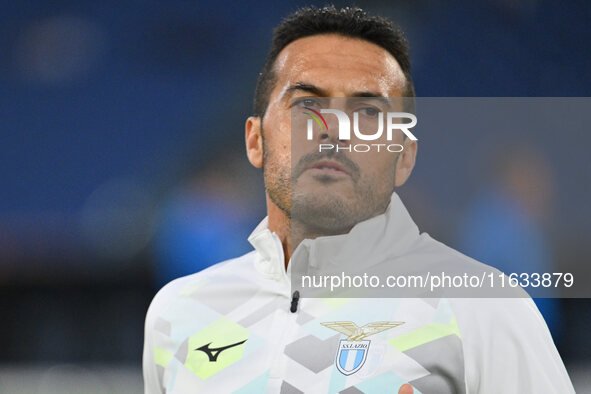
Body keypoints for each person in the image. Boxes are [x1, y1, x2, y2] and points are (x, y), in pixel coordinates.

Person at [143, 6, 574, 393]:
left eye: (368, 113)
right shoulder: (176, 314)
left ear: (403, 157)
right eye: (306, 105)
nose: (334, 131)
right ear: (255, 141)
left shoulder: (485, 309)